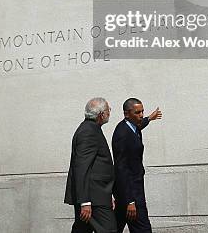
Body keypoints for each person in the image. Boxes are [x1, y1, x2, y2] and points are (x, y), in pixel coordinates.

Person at [65, 97, 117, 233]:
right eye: (108, 110)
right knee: (109, 229)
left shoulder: (92, 128)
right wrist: (85, 202)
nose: (109, 112)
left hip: (96, 195)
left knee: (82, 229)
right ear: (101, 114)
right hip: (93, 198)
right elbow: (81, 167)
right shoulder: (88, 131)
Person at [112, 98, 162, 233]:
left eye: (142, 112)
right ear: (126, 114)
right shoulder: (122, 134)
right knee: (143, 228)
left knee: (115, 228)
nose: (141, 115)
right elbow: (121, 169)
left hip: (127, 192)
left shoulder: (131, 126)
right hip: (132, 193)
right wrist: (130, 201)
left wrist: (149, 118)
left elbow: (139, 125)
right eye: (137, 112)